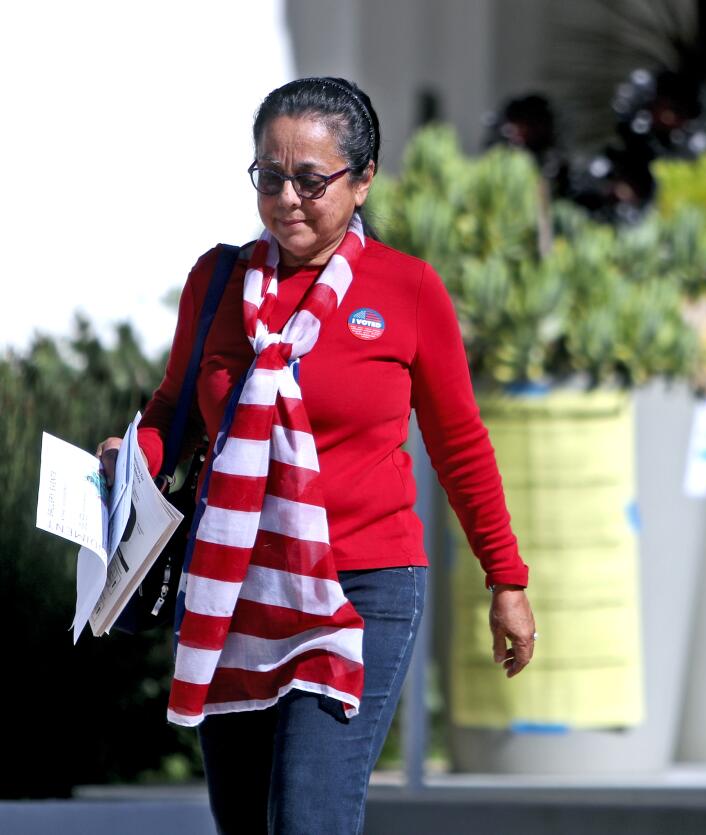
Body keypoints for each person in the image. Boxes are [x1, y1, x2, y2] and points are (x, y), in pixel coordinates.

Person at [95, 76, 535, 835]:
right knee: (246, 821)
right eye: (271, 177)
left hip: (360, 586)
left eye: (311, 180)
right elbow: (173, 409)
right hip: (234, 587)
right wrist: (131, 451)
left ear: (362, 182)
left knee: (311, 817)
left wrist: (507, 578)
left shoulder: (407, 289)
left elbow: (459, 444)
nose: (288, 198)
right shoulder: (218, 279)